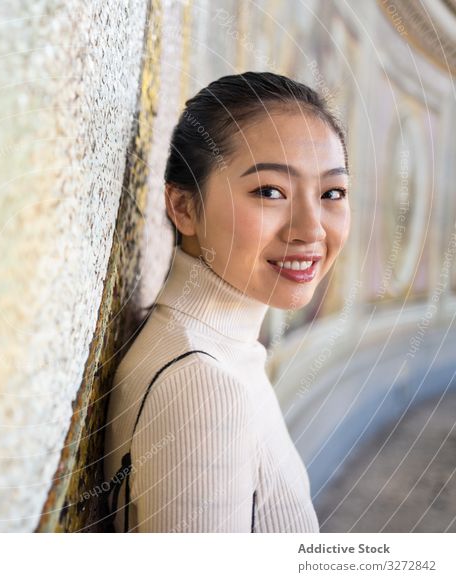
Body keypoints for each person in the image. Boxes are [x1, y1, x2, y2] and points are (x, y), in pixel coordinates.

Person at [103, 71, 351, 532]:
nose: (312, 229)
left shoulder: (218, 354)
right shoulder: (203, 383)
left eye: (331, 193)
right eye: (270, 191)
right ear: (184, 208)